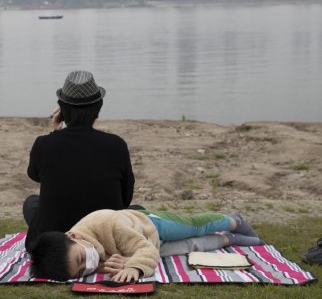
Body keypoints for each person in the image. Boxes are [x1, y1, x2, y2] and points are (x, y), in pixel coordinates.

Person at [23, 70, 135, 251]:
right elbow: (125, 198)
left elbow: (35, 175)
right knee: (137, 211)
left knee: (31, 203)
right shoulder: (116, 145)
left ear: (62, 110)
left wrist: (56, 132)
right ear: (98, 108)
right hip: (106, 238)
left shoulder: (43, 144)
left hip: (54, 238)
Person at [29, 208, 262, 282]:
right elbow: (144, 254)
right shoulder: (87, 254)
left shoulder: (106, 223)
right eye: (80, 271)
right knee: (194, 246)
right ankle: (231, 239)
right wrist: (123, 263)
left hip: (150, 226)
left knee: (193, 227)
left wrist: (134, 267)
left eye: (81, 259)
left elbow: (144, 250)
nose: (89, 266)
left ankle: (234, 221)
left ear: (73, 236)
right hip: (148, 247)